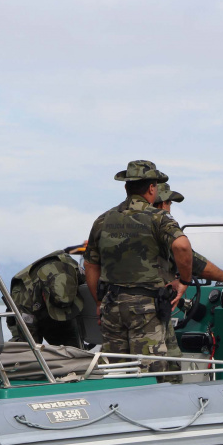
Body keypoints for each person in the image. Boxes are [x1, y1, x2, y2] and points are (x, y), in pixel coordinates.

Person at [84, 160, 194, 374]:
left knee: (117, 371)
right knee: (151, 374)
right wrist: (184, 281)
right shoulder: (159, 218)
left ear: (126, 187)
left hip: (111, 306)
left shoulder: (103, 220)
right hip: (145, 308)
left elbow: (90, 263)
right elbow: (181, 246)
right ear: (152, 188)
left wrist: (99, 301)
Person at [153, 182, 223, 381]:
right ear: (163, 203)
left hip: (113, 310)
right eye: (169, 203)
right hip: (152, 310)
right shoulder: (159, 222)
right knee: (168, 372)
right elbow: (188, 257)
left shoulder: (114, 220)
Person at [6, 246, 85, 348]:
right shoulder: (26, 294)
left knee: (74, 348)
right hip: (27, 311)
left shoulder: (74, 269)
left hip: (65, 310)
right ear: (44, 294)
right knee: (25, 348)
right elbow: (30, 338)